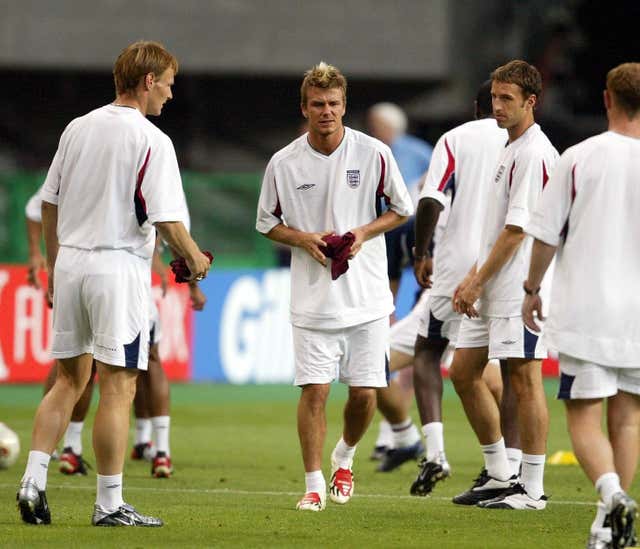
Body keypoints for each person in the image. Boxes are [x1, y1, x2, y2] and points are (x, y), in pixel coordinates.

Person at [17, 40, 211, 527]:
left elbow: (48, 202)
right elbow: (167, 220)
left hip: (73, 266)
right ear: (149, 81)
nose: (169, 93)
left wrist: (59, 266)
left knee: (67, 381)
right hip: (118, 267)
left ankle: (33, 481)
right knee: (119, 388)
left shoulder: (78, 127)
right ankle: (108, 504)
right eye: (167, 83)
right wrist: (195, 259)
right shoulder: (152, 139)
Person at [256, 62, 413, 511]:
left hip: (366, 296)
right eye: (318, 104)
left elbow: (400, 209)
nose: (327, 111)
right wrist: (302, 239)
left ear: (345, 106)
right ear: (305, 108)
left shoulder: (373, 153)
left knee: (365, 394)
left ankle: (344, 457)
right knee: (316, 391)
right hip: (312, 299)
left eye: (334, 104)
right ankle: (312, 484)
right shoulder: (284, 162)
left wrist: (363, 232)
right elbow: (266, 222)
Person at [523, 62, 640, 547]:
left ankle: (612, 496)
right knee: (630, 416)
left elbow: (547, 234)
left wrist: (531, 289)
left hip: (588, 310)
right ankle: (605, 526)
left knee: (585, 415)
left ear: (607, 99)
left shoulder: (579, 157)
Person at [449, 60, 558, 510]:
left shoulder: (534, 153)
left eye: (507, 99)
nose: (497, 106)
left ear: (531, 102)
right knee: (462, 372)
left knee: (525, 380)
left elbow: (516, 232)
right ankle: (499, 474)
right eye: (494, 97)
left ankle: (531, 487)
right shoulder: (507, 146)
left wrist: (477, 280)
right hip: (492, 283)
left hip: (519, 288)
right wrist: (473, 277)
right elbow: (497, 227)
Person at [407, 79, 522, 496]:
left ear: (477, 105)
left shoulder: (455, 139)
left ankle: (436, 452)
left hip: (458, 267)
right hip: (508, 265)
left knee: (428, 351)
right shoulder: (525, 142)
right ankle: (510, 469)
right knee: (510, 369)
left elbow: (430, 200)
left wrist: (421, 253)